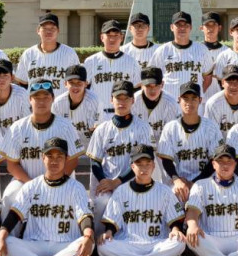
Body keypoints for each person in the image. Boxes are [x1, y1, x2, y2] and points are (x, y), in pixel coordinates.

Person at [0, 138, 94, 256]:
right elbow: (14, 215)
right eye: (50, 156)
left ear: (66, 159)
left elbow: (84, 217)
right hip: (34, 244)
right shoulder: (31, 186)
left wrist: (88, 236)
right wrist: (0, 237)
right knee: (6, 241)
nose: (54, 161)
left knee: (87, 244)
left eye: (59, 157)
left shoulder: (76, 187)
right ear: (42, 158)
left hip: (64, 245)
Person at [97, 144, 188, 256]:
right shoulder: (121, 191)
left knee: (179, 242)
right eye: (139, 164)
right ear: (132, 166)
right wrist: (108, 232)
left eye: (147, 164)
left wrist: (175, 229)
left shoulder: (164, 191)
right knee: (103, 246)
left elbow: (175, 221)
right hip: (128, 244)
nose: (144, 168)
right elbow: (112, 221)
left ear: (153, 166)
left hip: (157, 244)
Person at [0, 79, 81, 214]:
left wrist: (54, 182)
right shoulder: (18, 128)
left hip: (61, 180)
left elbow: (73, 160)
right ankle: (9, 234)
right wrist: (33, 185)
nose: (41, 101)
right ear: (30, 99)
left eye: (46, 97)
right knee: (9, 196)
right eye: (37, 97)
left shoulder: (66, 126)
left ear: (53, 99)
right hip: (24, 181)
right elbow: (12, 165)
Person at [87, 81, 154, 219]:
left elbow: (145, 161)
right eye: (118, 98)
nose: (122, 102)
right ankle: (98, 238)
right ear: (111, 100)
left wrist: (117, 182)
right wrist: (105, 182)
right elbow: (95, 161)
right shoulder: (102, 129)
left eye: (126, 98)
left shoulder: (143, 128)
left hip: (134, 182)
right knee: (101, 202)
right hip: (107, 181)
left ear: (133, 100)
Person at [156, 82, 224, 204]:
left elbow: (215, 160)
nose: (189, 102)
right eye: (185, 98)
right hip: (179, 182)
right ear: (179, 100)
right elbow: (166, 161)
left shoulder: (211, 127)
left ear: (200, 100)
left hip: (206, 180)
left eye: (194, 98)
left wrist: (195, 182)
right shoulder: (170, 127)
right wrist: (176, 180)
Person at [150, 11, 214, 99]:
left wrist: (196, 95)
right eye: (178, 25)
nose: (182, 28)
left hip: (193, 103)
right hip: (169, 102)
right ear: (172, 27)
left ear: (190, 27)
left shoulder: (202, 49)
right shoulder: (162, 50)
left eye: (186, 25)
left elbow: (207, 78)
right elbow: (152, 77)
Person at [15, 13, 80, 97]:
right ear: (38, 30)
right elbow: (22, 82)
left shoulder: (69, 53)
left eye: (52, 28)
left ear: (58, 31)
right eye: (44, 28)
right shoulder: (29, 53)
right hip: (35, 107)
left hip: (61, 106)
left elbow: (77, 81)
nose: (49, 31)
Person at [83, 20, 140, 108]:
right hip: (98, 114)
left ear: (121, 37)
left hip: (123, 113)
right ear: (102, 37)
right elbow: (84, 89)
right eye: (109, 35)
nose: (112, 39)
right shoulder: (91, 61)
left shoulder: (132, 62)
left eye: (116, 35)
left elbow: (137, 89)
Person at [54, 64, 105, 146]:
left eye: (79, 83)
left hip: (90, 147)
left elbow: (97, 130)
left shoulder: (95, 101)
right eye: (71, 83)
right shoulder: (58, 103)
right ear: (65, 84)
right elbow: (56, 131)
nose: (75, 86)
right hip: (68, 148)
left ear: (86, 83)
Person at [131, 66, 180, 147]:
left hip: (163, 148)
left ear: (162, 84)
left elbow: (174, 134)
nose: (152, 90)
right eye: (148, 86)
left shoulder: (171, 103)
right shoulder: (133, 102)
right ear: (141, 85)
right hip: (139, 150)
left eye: (156, 85)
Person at [202, 64, 238, 136]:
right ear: (222, 83)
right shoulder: (213, 104)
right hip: (221, 145)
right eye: (230, 81)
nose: (234, 86)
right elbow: (210, 135)